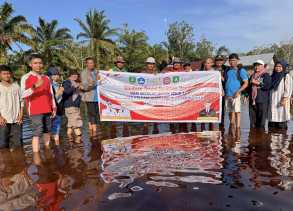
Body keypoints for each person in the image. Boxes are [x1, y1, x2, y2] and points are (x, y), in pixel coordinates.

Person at [21, 54, 56, 153]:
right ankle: (36, 155)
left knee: (47, 131)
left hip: (48, 109)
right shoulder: (26, 77)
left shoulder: (47, 78)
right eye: (35, 63)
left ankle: (47, 150)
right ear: (30, 64)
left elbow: (51, 94)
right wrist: (34, 86)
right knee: (37, 132)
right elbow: (22, 94)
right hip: (34, 110)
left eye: (40, 63)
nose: (38, 65)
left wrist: (54, 107)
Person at [0, 65, 23, 150]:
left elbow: (21, 102)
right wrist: (0, 117)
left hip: (16, 120)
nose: (7, 75)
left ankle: (17, 162)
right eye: (4, 74)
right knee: (2, 144)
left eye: (8, 73)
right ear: (0, 75)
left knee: (17, 144)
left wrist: (20, 115)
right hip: (3, 120)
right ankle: (5, 162)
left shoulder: (16, 86)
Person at [225, 53, 248, 128]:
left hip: (236, 94)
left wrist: (238, 91)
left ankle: (238, 128)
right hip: (227, 94)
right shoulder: (227, 70)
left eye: (234, 60)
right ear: (229, 61)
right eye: (230, 60)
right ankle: (232, 126)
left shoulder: (241, 70)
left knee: (237, 111)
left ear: (238, 60)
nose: (232, 62)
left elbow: (246, 83)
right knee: (230, 111)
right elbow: (226, 80)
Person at [268, 61, 293, 130]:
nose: (277, 68)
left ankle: (283, 139)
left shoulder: (286, 76)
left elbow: (288, 89)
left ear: (283, 67)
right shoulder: (273, 76)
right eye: (276, 66)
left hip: (281, 100)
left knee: (281, 120)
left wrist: (284, 99)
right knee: (272, 121)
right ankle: (273, 140)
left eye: (280, 66)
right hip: (272, 100)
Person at [248, 60, 271, 129]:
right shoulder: (252, 75)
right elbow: (249, 87)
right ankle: (253, 137)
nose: (256, 67)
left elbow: (268, 86)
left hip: (262, 100)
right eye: (255, 65)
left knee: (261, 121)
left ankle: (261, 136)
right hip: (252, 100)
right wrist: (246, 95)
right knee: (252, 121)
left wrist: (258, 83)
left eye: (259, 65)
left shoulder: (266, 75)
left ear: (263, 66)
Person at [80, 57, 100, 137]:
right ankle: (94, 133)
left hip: (97, 97)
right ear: (86, 64)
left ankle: (91, 131)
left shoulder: (96, 71)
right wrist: (96, 81)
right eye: (89, 63)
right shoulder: (84, 73)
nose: (91, 64)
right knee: (92, 114)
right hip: (89, 97)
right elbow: (85, 87)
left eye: (92, 63)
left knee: (94, 114)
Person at [63, 69, 83, 142]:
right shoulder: (66, 82)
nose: (75, 76)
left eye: (76, 74)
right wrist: (75, 86)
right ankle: (79, 144)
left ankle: (70, 143)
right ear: (69, 75)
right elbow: (66, 92)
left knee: (70, 125)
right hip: (71, 106)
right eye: (73, 74)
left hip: (74, 106)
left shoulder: (76, 83)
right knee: (76, 125)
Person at [47, 67, 64, 146]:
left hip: (59, 108)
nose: (57, 76)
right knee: (51, 127)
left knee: (57, 126)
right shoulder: (49, 85)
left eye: (57, 75)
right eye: (55, 75)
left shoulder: (58, 84)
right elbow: (51, 99)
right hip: (52, 109)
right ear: (50, 76)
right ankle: (52, 145)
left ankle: (57, 145)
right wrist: (59, 92)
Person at [214, 55, 228, 128]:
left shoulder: (226, 69)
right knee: (212, 107)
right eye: (217, 60)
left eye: (220, 60)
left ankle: (221, 124)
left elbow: (227, 80)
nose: (219, 61)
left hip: (223, 92)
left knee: (222, 108)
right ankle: (212, 122)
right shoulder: (212, 69)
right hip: (214, 91)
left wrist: (219, 75)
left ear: (223, 61)